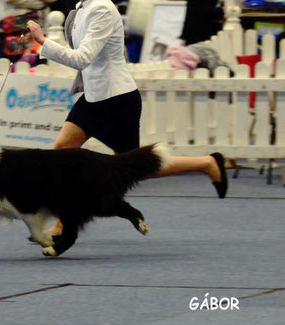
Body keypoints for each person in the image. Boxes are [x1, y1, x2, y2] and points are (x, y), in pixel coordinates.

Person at [27, 0, 228, 235]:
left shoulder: (102, 9)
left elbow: (82, 58)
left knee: (137, 166)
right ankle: (62, 223)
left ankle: (206, 163)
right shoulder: (82, 8)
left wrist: (43, 41)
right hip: (94, 97)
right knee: (62, 153)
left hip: (115, 100)